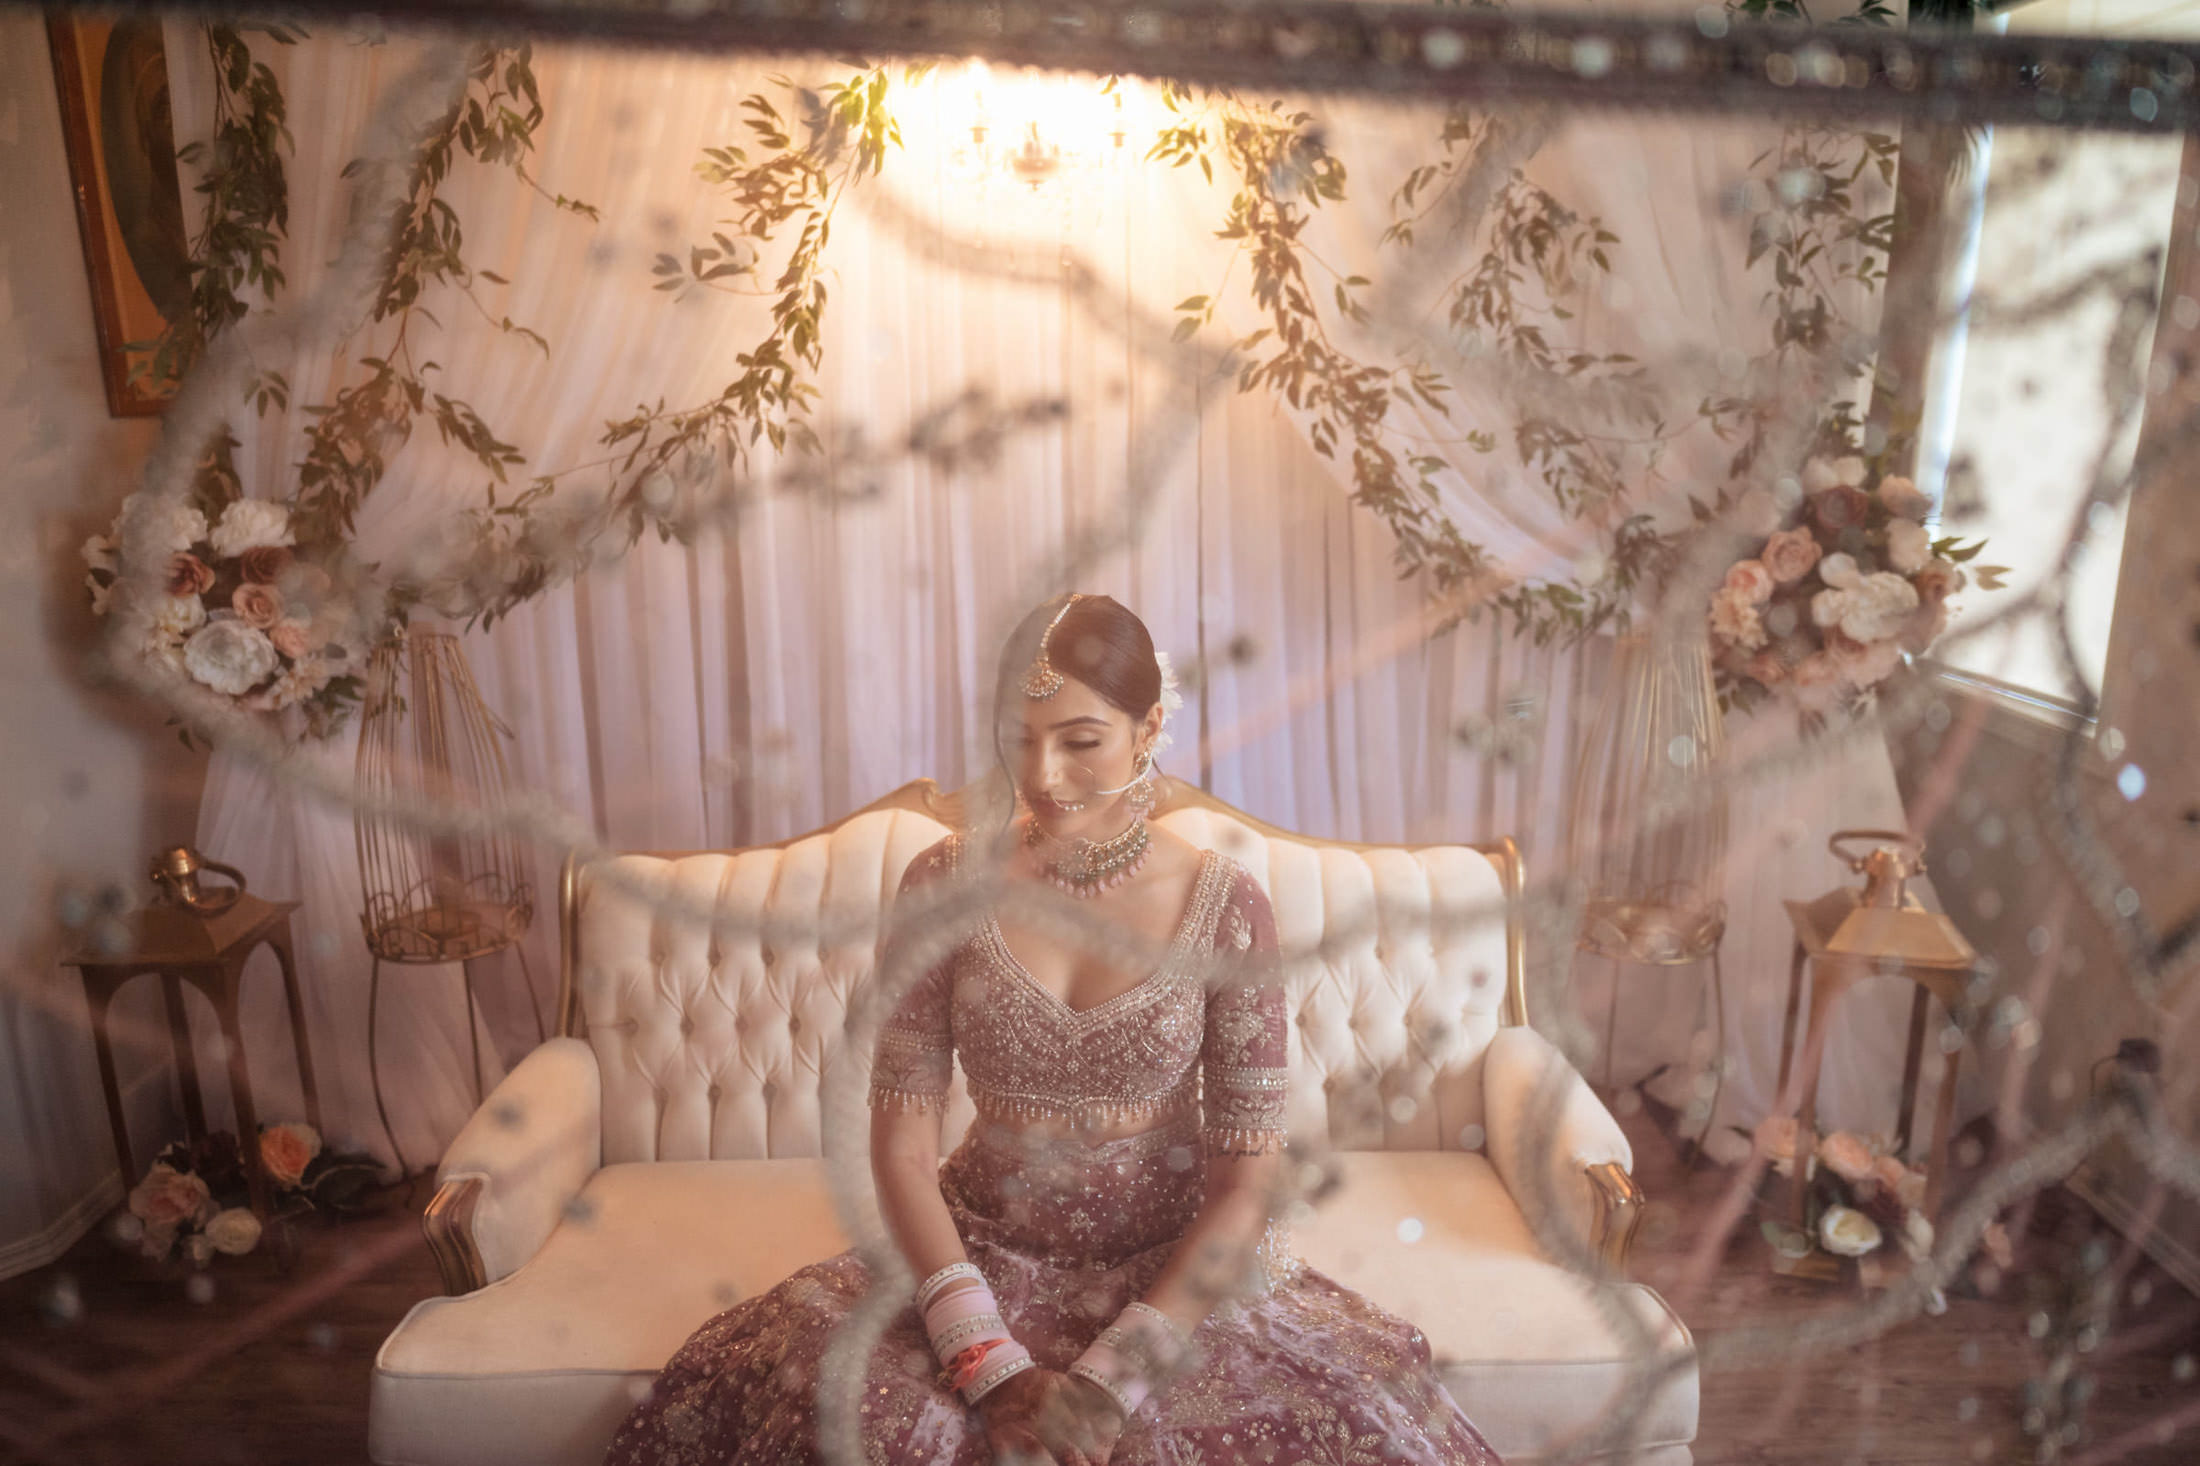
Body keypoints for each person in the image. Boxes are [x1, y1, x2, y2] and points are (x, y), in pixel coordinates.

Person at [603, 593, 1503, 1466]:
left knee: (1304, 1416)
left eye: (1081, 742)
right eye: (1017, 741)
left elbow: (1244, 1181)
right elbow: (903, 1152)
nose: (1040, 778)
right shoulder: (941, 887)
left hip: (1176, 1260)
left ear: (1149, 730)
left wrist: (1112, 1383)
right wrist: (990, 1369)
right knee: (862, 1416)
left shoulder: (1227, 908)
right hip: (984, 1246)